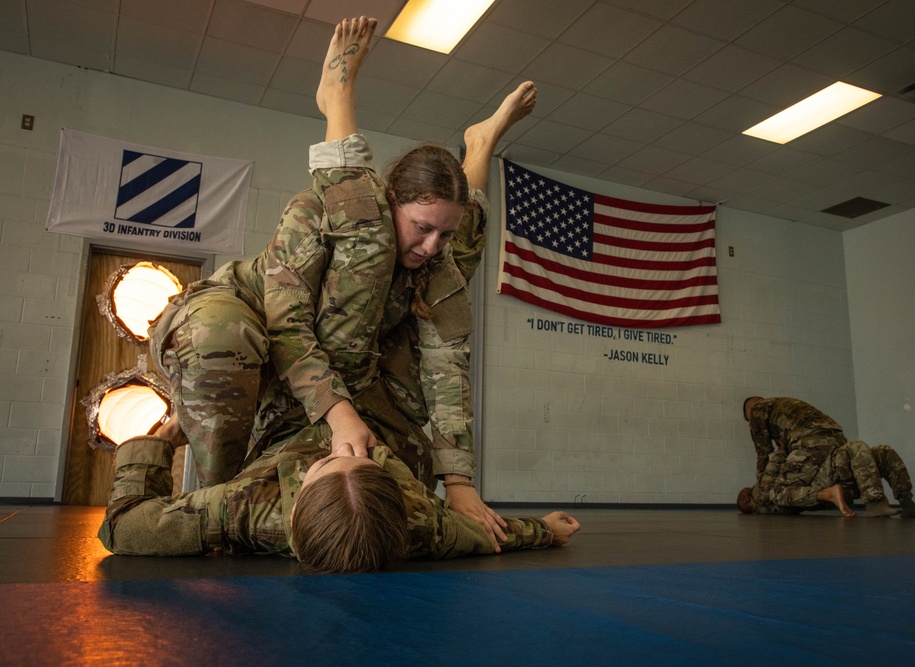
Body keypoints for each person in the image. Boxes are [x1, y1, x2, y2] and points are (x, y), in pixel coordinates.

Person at [147, 17, 535, 548]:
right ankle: (337, 97)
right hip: (253, 318)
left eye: (439, 233)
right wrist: (339, 413)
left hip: (348, 357)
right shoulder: (320, 213)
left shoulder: (433, 255)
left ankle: (480, 144)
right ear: (390, 199)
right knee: (231, 332)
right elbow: (286, 324)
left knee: (449, 260)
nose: (429, 245)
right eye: (420, 227)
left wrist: (459, 484)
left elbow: (448, 369)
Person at [97, 416, 580, 573]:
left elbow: (122, 526)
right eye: (358, 458)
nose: (339, 447)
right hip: (368, 412)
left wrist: (158, 440)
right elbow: (488, 534)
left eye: (330, 460)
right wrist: (545, 531)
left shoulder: (246, 508)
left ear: (298, 499)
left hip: (279, 423)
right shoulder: (423, 525)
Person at [737, 440, 915, 518]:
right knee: (854, 447)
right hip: (824, 484)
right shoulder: (762, 494)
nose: (749, 486)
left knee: (882, 452)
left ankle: (906, 501)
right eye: (746, 490)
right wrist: (781, 450)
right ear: (747, 501)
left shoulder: (769, 501)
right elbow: (771, 470)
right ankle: (875, 502)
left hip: (837, 485)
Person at [743, 396, 848, 486]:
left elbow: (764, 453)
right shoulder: (783, 404)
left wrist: (760, 485)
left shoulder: (757, 411)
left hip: (811, 442)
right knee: (829, 477)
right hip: (837, 436)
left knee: (782, 488)